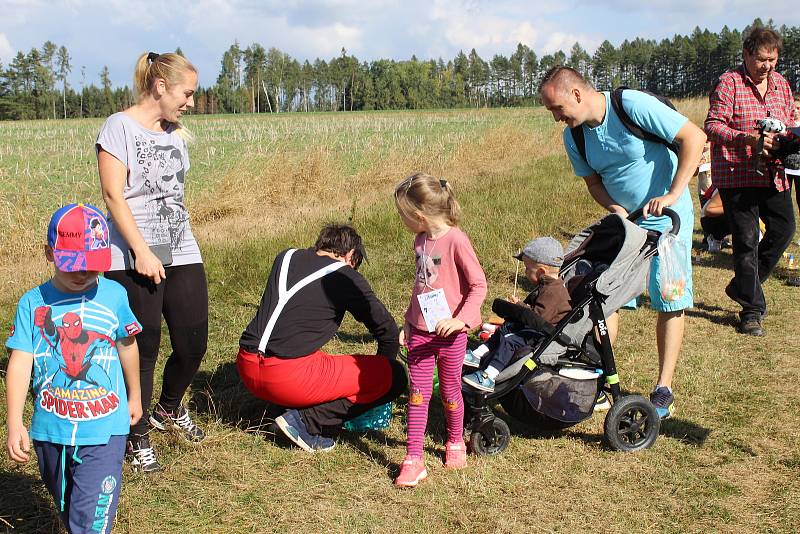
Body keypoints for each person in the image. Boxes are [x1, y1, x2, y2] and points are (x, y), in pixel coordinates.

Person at [539, 66, 706, 420]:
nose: (556, 118)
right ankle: (603, 380)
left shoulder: (631, 105)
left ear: (576, 94)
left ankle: (663, 389)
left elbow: (695, 137)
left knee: (669, 299)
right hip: (627, 228)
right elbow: (594, 182)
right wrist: (613, 208)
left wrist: (673, 193)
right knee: (607, 301)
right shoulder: (575, 136)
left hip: (668, 220)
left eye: (556, 109)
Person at [96, 51, 207, 472]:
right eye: (187, 93)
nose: (191, 103)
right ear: (161, 86)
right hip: (130, 253)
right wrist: (140, 249)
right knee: (144, 346)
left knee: (194, 341)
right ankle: (137, 435)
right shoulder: (118, 127)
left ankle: (168, 408)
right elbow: (112, 195)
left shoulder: (175, 134)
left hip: (181, 247)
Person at [6, 204, 142, 534]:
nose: (83, 274)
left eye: (92, 267)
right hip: (51, 429)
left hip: (106, 428)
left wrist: (135, 395)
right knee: (68, 508)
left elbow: (127, 344)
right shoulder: (33, 303)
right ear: (50, 253)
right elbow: (21, 361)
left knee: (90, 521)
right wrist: (13, 422)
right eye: (73, 266)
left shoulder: (115, 296)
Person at [237, 224, 407, 452]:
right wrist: (380, 374)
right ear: (349, 255)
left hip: (247, 367)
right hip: (288, 377)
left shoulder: (286, 257)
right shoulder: (345, 275)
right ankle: (306, 421)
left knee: (319, 357)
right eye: (357, 262)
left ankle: (280, 408)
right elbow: (388, 332)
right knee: (395, 376)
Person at [393, 173, 487, 488]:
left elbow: (478, 285)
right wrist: (408, 320)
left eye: (403, 214)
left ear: (418, 215)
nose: (402, 220)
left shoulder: (457, 240)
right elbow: (420, 286)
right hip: (420, 333)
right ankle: (413, 459)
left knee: (449, 392)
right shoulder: (419, 241)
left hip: (450, 336)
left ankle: (456, 440)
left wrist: (461, 320)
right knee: (417, 395)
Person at [704, 27, 796, 332]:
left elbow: (789, 124)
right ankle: (752, 310)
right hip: (737, 174)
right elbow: (713, 127)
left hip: (775, 174)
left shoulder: (782, 85)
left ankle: (742, 286)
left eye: (773, 59)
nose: (768, 65)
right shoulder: (729, 83)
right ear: (746, 54)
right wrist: (748, 140)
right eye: (761, 59)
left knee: (784, 230)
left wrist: (786, 140)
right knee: (745, 242)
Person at [462, 236, 571, 392]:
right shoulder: (548, 285)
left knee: (509, 340)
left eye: (527, 268)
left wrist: (520, 306)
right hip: (536, 326)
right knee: (506, 328)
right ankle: (478, 354)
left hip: (542, 333)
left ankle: (489, 376)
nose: (525, 272)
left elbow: (539, 319)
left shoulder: (554, 292)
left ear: (541, 271)